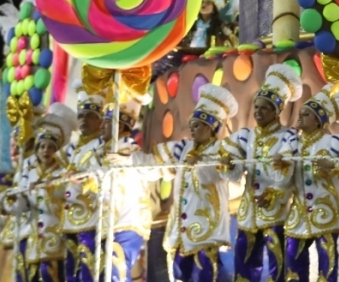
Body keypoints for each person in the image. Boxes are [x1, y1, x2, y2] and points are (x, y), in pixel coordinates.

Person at [118, 84, 238, 282]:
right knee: (179, 275)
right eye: (192, 124)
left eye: (197, 125)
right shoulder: (183, 148)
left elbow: (213, 175)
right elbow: (152, 166)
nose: (191, 128)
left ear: (209, 127)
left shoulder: (221, 150)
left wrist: (198, 163)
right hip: (181, 231)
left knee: (206, 275)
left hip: (206, 231)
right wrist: (128, 160)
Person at [221, 63, 304, 282]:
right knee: (245, 263)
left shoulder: (289, 137)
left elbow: (287, 172)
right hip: (249, 212)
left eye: (264, 107)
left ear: (277, 111)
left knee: (279, 265)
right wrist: (229, 164)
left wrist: (274, 191)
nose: (258, 112)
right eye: (256, 107)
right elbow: (235, 171)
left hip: (277, 211)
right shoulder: (245, 135)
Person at [280, 84, 339, 282]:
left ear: (319, 120)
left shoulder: (335, 143)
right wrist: (281, 166)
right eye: (300, 113)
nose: (300, 117)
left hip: (328, 213)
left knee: (328, 266)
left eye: (306, 114)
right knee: (293, 262)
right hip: (299, 213)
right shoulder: (292, 143)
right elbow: (281, 178)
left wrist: (334, 166)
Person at [3, 103, 76, 282]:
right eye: (42, 146)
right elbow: (22, 204)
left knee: (51, 274)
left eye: (51, 147)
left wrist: (51, 188)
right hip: (32, 237)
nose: (46, 151)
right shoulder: (28, 170)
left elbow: (68, 196)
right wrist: (11, 202)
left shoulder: (63, 172)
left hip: (56, 236)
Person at [95, 98, 156, 282]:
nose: (101, 126)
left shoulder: (130, 150)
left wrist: (127, 161)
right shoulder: (100, 153)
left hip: (128, 221)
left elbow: (152, 169)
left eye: (107, 122)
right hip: (108, 223)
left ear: (119, 126)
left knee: (117, 270)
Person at [62, 83, 106, 282]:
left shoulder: (103, 143)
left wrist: (84, 177)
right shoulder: (74, 149)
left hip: (92, 215)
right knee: (71, 268)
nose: (83, 120)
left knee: (88, 264)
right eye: (80, 116)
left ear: (100, 120)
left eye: (89, 115)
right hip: (70, 218)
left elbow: (102, 173)